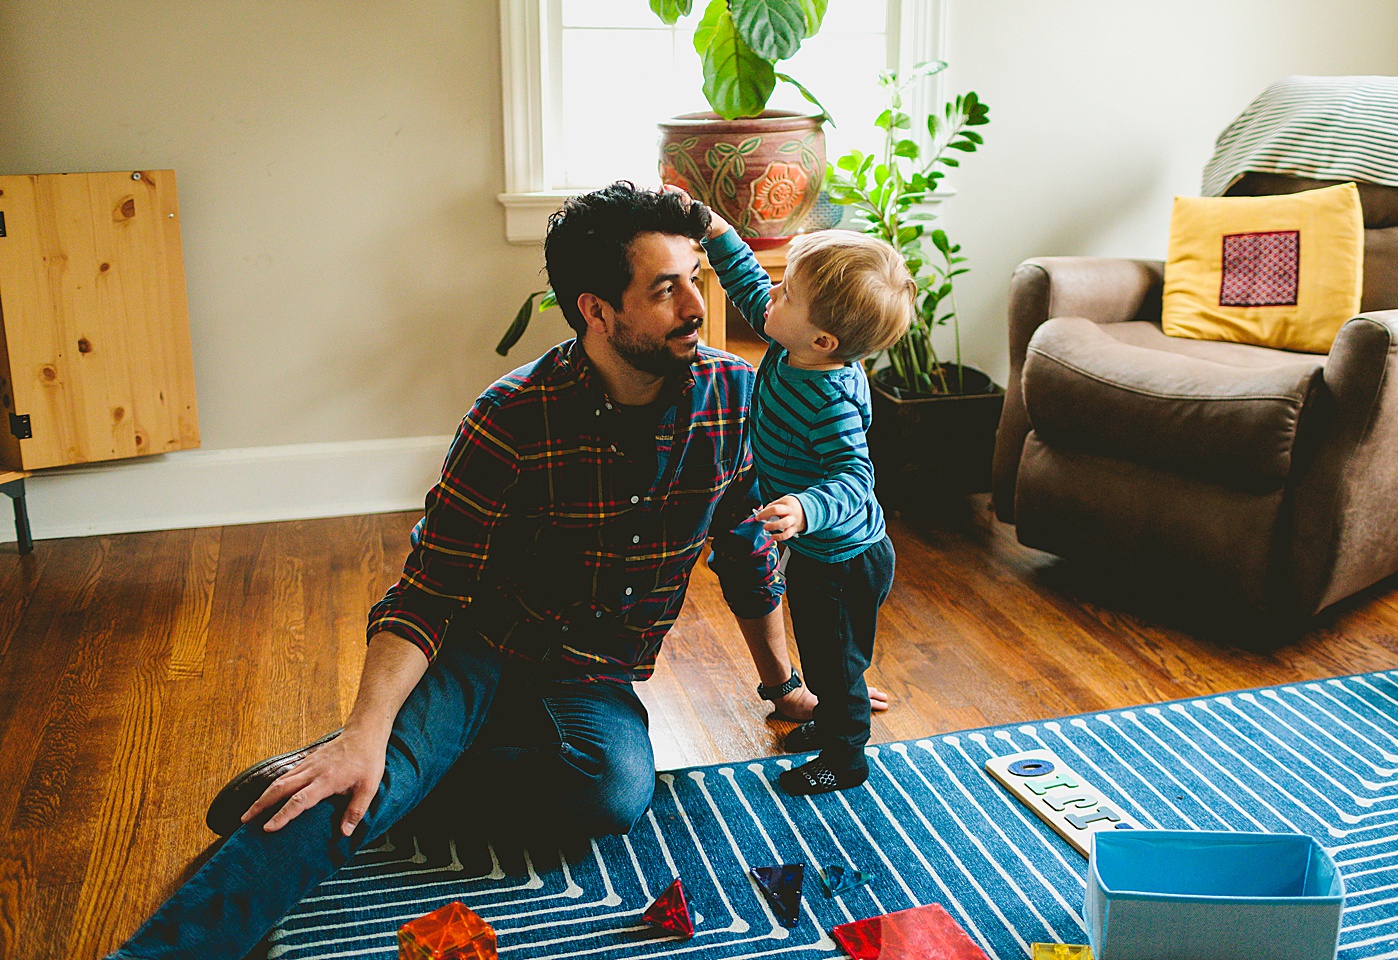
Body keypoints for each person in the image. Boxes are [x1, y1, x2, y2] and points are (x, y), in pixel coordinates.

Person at [106, 182, 886, 960]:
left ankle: (397, 769)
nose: (695, 305)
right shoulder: (509, 417)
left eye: (694, 276)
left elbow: (745, 554)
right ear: (598, 310)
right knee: (367, 769)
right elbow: (429, 589)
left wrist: (783, 686)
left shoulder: (732, 400)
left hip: (590, 674)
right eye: (665, 288)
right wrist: (365, 732)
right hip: (477, 646)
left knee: (612, 792)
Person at [695, 197, 914, 796]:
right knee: (828, 656)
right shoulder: (791, 347)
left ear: (822, 338)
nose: (773, 296)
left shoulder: (830, 399)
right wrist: (718, 233)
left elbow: (853, 481)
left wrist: (803, 507)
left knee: (832, 663)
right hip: (824, 552)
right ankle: (832, 719)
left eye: (786, 293)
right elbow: (746, 288)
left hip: (844, 559)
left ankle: (846, 756)